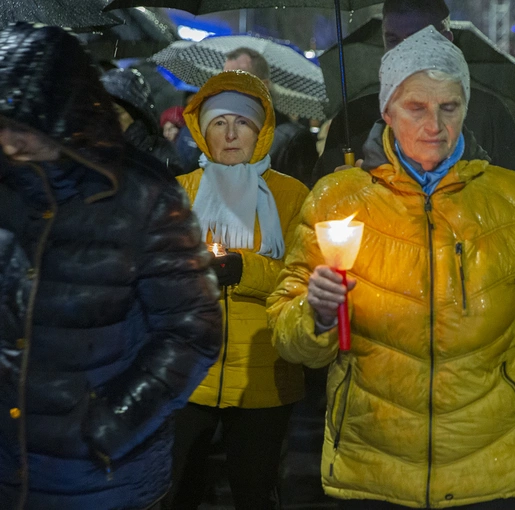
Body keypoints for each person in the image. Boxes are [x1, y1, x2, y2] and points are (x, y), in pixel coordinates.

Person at [268, 26, 515, 509]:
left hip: (494, 470)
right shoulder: (338, 201)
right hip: (375, 469)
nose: (435, 126)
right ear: (386, 111)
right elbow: (288, 335)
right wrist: (317, 314)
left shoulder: (513, 200)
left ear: (466, 107)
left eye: (450, 107)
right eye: (416, 108)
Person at [0, 22, 222, 510]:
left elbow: (193, 329)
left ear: (63, 113)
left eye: (24, 126)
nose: (10, 142)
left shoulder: (144, 196)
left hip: (100, 480)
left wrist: (109, 425)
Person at [166, 70, 309, 510]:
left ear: (260, 129)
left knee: (255, 493)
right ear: (203, 131)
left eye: (242, 122)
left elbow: (300, 277)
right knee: (176, 493)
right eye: (219, 123)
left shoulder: (290, 195)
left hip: (264, 378)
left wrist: (244, 269)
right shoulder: (179, 192)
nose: (231, 135)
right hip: (189, 375)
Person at [312, 0, 515, 185]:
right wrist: (341, 194)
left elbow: (513, 205)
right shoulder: (353, 118)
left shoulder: (490, 114)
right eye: (393, 40)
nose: (403, 51)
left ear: (446, 40)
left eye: (416, 39)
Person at [223, 47, 318, 187]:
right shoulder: (225, 135)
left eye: (238, 81)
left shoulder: (294, 139)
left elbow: (302, 201)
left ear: (263, 86)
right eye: (224, 81)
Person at [101, 68, 184, 176]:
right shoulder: (99, 152)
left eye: (117, 113)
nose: (109, 119)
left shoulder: (162, 154)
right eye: (103, 112)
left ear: (136, 113)